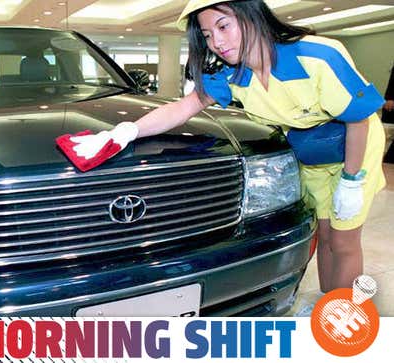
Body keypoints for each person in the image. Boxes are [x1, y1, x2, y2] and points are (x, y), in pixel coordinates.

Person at [68, 0, 386, 294]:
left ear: (252, 15)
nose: (217, 42)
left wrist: (352, 180)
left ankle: (345, 319)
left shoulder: (319, 55)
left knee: (344, 241)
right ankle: (326, 306)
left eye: (223, 26)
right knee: (327, 234)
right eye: (207, 34)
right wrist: (128, 130)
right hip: (311, 149)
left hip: (354, 144)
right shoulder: (234, 75)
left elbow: (358, 118)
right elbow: (184, 107)